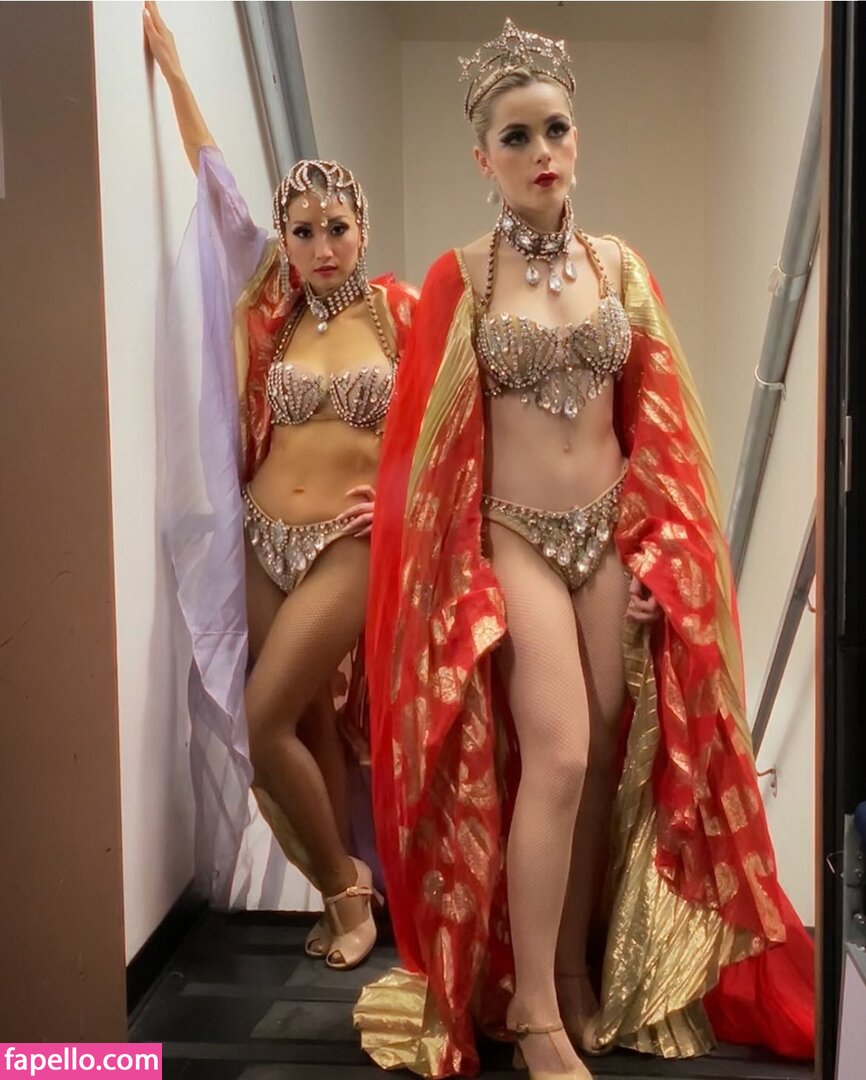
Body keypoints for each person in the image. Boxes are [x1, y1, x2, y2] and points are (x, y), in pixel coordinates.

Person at [354, 19, 814, 1078]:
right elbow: (431, 452)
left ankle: (570, 971)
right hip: (514, 537)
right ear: (483, 158)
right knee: (557, 751)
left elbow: (662, 426)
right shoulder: (464, 280)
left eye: (555, 128)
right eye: (515, 137)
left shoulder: (617, 267)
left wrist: (661, 553)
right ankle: (529, 1008)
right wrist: (447, 571)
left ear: (577, 135)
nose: (540, 152)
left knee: (608, 750)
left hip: (607, 532)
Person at [143, 0, 416, 969]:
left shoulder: (399, 315)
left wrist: (398, 503)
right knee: (301, 721)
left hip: (349, 544)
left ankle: (348, 891)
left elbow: (450, 427)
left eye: (335, 226)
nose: (320, 245)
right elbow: (217, 185)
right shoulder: (274, 302)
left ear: (361, 228)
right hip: (263, 535)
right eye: (303, 230)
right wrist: (177, 73)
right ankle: (343, 887)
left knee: (262, 720)